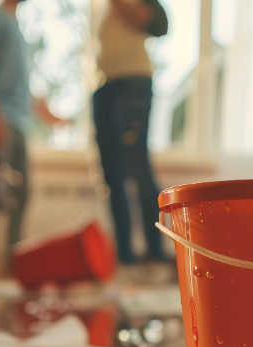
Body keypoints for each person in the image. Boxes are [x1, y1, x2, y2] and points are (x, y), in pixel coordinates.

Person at [0, 0, 60, 251]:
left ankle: (12, 261)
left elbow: (23, 91)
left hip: (18, 122)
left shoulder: (19, 29)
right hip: (1, 118)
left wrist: (50, 116)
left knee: (21, 194)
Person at [93, 0, 167, 264]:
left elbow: (159, 25)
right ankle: (124, 255)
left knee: (136, 167)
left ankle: (155, 253)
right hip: (107, 86)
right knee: (112, 175)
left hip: (132, 84)